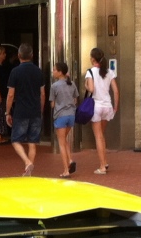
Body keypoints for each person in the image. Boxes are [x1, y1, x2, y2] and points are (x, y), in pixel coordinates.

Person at [4, 43, 44, 176]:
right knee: (32, 142)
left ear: (19, 56)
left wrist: (7, 112)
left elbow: (11, 94)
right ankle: (29, 171)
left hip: (21, 111)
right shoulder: (38, 71)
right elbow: (42, 94)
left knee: (16, 140)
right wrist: (41, 110)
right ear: (32, 56)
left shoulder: (15, 72)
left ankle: (27, 162)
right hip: (35, 111)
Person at [84, 47, 118, 175]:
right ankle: (105, 161)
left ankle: (102, 166)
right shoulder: (109, 72)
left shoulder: (90, 72)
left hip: (97, 107)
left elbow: (91, 89)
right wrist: (115, 107)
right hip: (107, 106)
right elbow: (115, 91)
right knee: (102, 135)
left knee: (98, 136)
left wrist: (86, 85)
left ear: (92, 59)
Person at [49, 61, 78, 178]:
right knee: (65, 140)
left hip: (60, 116)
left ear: (60, 72)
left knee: (61, 143)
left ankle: (66, 170)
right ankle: (70, 160)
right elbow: (75, 100)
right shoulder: (72, 84)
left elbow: (52, 104)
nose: (53, 71)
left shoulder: (54, 86)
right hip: (71, 115)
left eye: (54, 69)